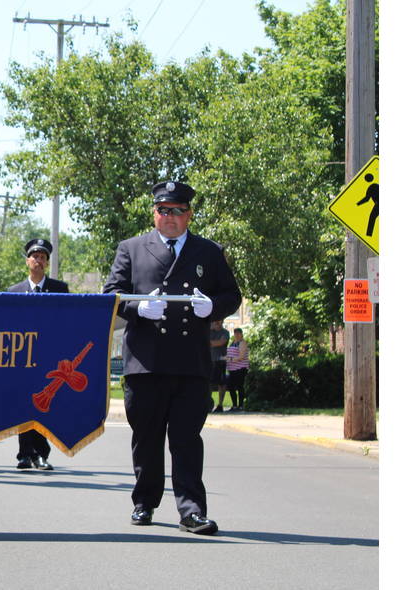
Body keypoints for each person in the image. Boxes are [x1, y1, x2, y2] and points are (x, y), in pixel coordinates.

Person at [102, 180, 241, 535]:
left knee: (186, 440)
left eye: (178, 211)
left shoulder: (208, 251)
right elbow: (112, 294)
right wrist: (136, 308)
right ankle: (144, 502)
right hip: (145, 363)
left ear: (189, 215)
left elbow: (231, 295)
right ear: (154, 213)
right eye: (164, 210)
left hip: (190, 363)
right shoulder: (131, 248)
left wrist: (213, 308)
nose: (170, 217)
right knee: (146, 438)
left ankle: (191, 510)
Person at [6, 238, 69, 470]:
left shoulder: (60, 289)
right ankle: (24, 454)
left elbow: (65, 323)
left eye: (43, 258)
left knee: (44, 406)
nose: (39, 261)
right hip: (22, 358)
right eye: (35, 257)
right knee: (24, 406)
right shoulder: (14, 292)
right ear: (27, 261)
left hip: (48, 358)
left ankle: (41, 454)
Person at [225, 328, 249, 411]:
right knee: (231, 387)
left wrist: (230, 359)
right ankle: (234, 405)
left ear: (241, 334)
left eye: (238, 333)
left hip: (240, 368)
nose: (237, 335)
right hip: (232, 369)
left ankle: (241, 405)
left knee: (240, 386)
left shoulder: (242, 343)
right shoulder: (232, 343)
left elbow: (241, 356)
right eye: (235, 333)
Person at [209, 321, 230, 412]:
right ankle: (207, 403)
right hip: (209, 361)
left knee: (221, 383)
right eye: (216, 322)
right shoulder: (209, 331)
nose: (218, 323)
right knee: (208, 383)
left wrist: (209, 342)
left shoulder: (225, 332)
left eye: (219, 322)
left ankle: (220, 405)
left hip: (220, 361)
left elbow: (220, 343)